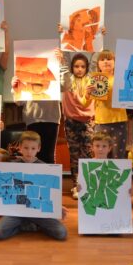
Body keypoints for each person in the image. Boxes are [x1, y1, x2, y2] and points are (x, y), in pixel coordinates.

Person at [0, 131, 68, 240]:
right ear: (20, 147)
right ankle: (26, 225)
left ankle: (32, 224)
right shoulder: (12, 166)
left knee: (61, 233)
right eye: (26, 148)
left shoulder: (45, 167)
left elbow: (51, 192)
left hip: (38, 211)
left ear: (39, 148)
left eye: (33, 148)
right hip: (17, 211)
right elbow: (3, 188)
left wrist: (57, 206)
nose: (29, 152)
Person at [56, 50, 95, 199]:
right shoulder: (68, 81)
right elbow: (64, 68)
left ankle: (87, 184)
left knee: (87, 153)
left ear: (87, 68)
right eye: (76, 66)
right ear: (72, 67)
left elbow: (95, 58)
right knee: (74, 154)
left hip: (88, 121)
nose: (79, 69)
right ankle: (76, 185)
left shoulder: (91, 80)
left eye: (83, 66)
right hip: (71, 121)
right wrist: (63, 56)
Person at [93, 50, 128, 158]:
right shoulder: (94, 79)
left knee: (118, 156)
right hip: (101, 122)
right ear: (98, 63)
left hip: (119, 120)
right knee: (101, 156)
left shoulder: (122, 78)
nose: (106, 61)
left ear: (115, 62)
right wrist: (87, 94)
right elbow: (85, 103)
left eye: (109, 59)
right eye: (102, 59)